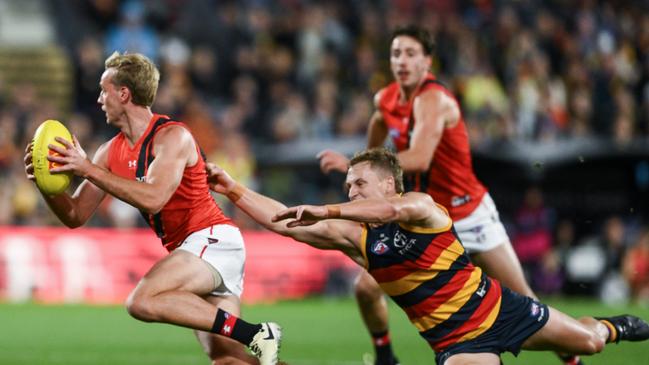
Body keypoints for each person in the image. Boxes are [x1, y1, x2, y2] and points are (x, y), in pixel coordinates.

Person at [208, 147, 649, 365]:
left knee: (590, 342)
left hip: (501, 308)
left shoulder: (422, 206)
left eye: (358, 183)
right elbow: (283, 221)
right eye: (346, 187)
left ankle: (617, 325)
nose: (349, 191)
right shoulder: (361, 239)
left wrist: (329, 208)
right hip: (457, 342)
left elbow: (393, 210)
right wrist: (234, 189)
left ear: (387, 183)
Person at [317, 24, 575, 365]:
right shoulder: (386, 99)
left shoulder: (434, 99)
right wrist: (364, 167)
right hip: (424, 220)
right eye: (396, 54)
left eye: (411, 54)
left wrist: (359, 164)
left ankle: (574, 359)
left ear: (427, 62)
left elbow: (421, 157)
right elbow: (378, 129)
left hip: (468, 213)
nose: (402, 61)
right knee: (365, 288)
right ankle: (384, 358)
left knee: (527, 302)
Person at [23, 52, 281, 365]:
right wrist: (45, 184)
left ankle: (255, 333)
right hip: (191, 252)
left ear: (124, 93)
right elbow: (75, 215)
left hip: (212, 240)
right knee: (229, 361)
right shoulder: (109, 152)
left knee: (141, 301)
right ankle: (254, 338)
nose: (99, 99)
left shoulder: (173, 136)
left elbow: (154, 198)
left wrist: (88, 169)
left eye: (104, 90)